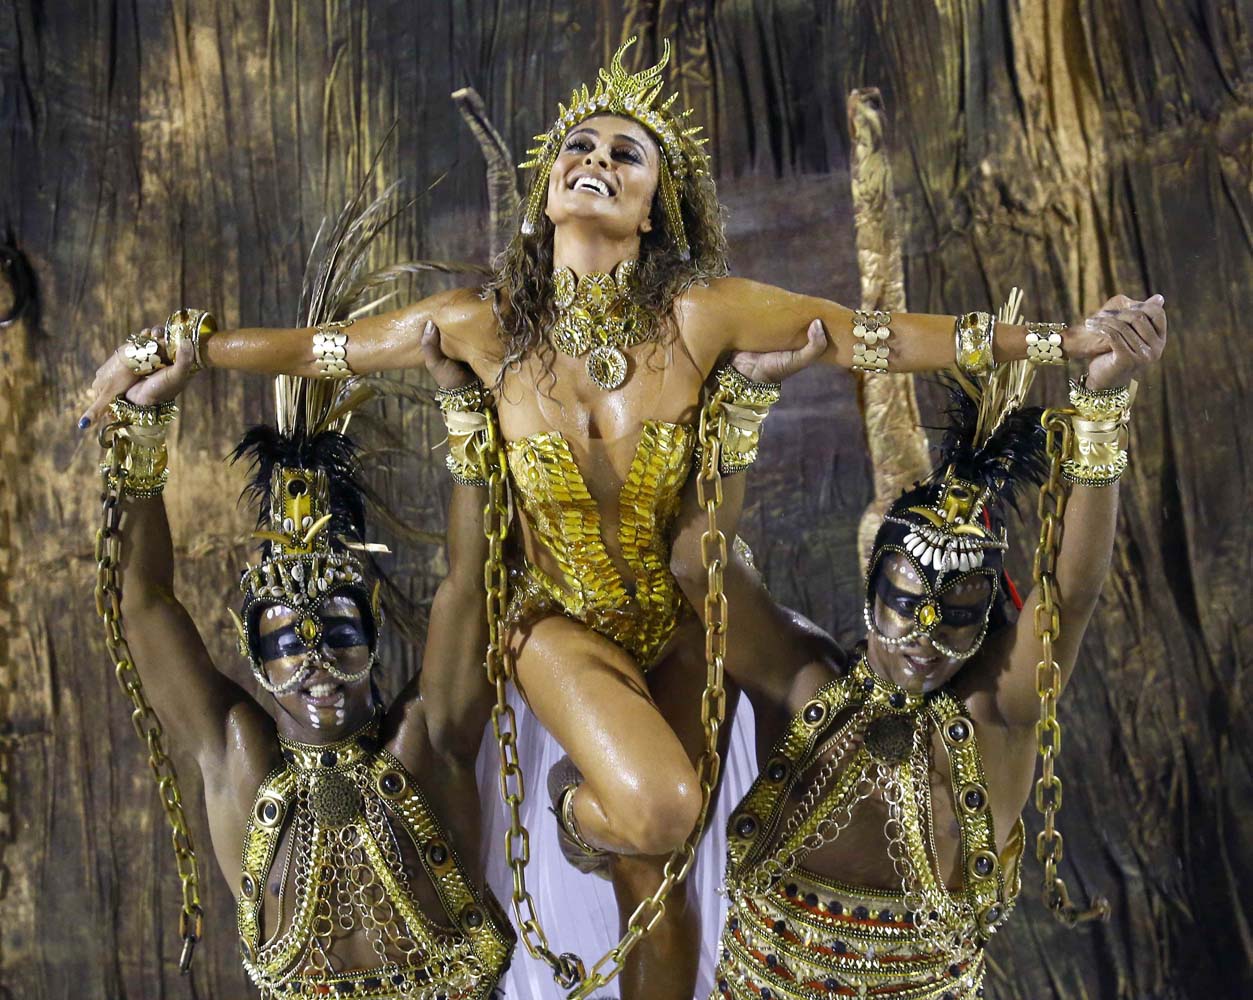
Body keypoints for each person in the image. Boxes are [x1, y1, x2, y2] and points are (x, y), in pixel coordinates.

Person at [82, 37, 1155, 996]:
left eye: (626, 153)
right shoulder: (483, 325)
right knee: (653, 809)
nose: (594, 156)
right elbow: (313, 349)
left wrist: (1065, 345)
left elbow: (872, 335)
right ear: (544, 193)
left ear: (656, 206)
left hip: (684, 622)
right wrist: (163, 356)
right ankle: (573, 815)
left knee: (667, 895)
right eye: (577, 145)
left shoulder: (700, 315)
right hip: (552, 623)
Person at [670, 297, 1168, 999]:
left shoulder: (994, 711)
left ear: (990, 617)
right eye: (903, 604)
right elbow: (698, 566)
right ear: (871, 588)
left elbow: (1071, 595)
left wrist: (1101, 402)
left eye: (956, 618)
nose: (922, 641)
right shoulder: (802, 679)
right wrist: (747, 396)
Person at [101, 338, 516, 998]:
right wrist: (146, 418)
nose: (316, 659)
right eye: (289, 642)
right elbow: (144, 603)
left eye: (340, 632)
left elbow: (473, 583)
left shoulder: (427, 743)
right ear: (255, 656)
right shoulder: (239, 762)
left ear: (374, 633)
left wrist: (463, 405)